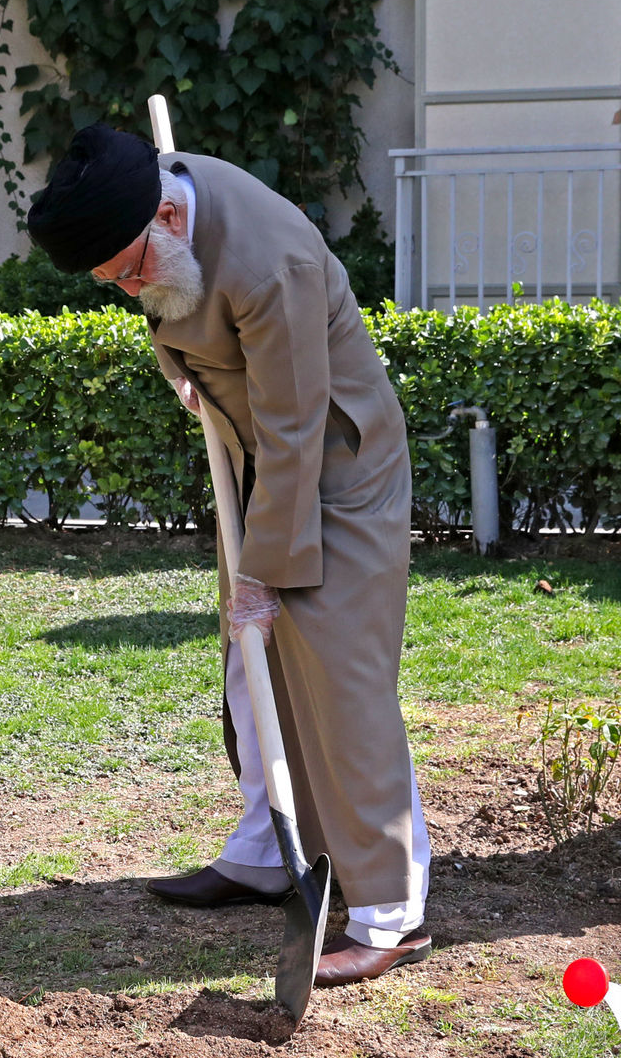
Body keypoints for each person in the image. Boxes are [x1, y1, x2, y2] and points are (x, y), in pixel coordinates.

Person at [25, 122, 434, 987]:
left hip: (337, 466)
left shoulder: (269, 262)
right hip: (263, 459)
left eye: (129, 272)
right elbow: (177, 303)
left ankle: (389, 912)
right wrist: (183, 369)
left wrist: (263, 571)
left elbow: (297, 427)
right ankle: (266, 847)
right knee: (252, 661)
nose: (129, 289)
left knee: (342, 678)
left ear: (171, 217)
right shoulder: (154, 214)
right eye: (113, 281)